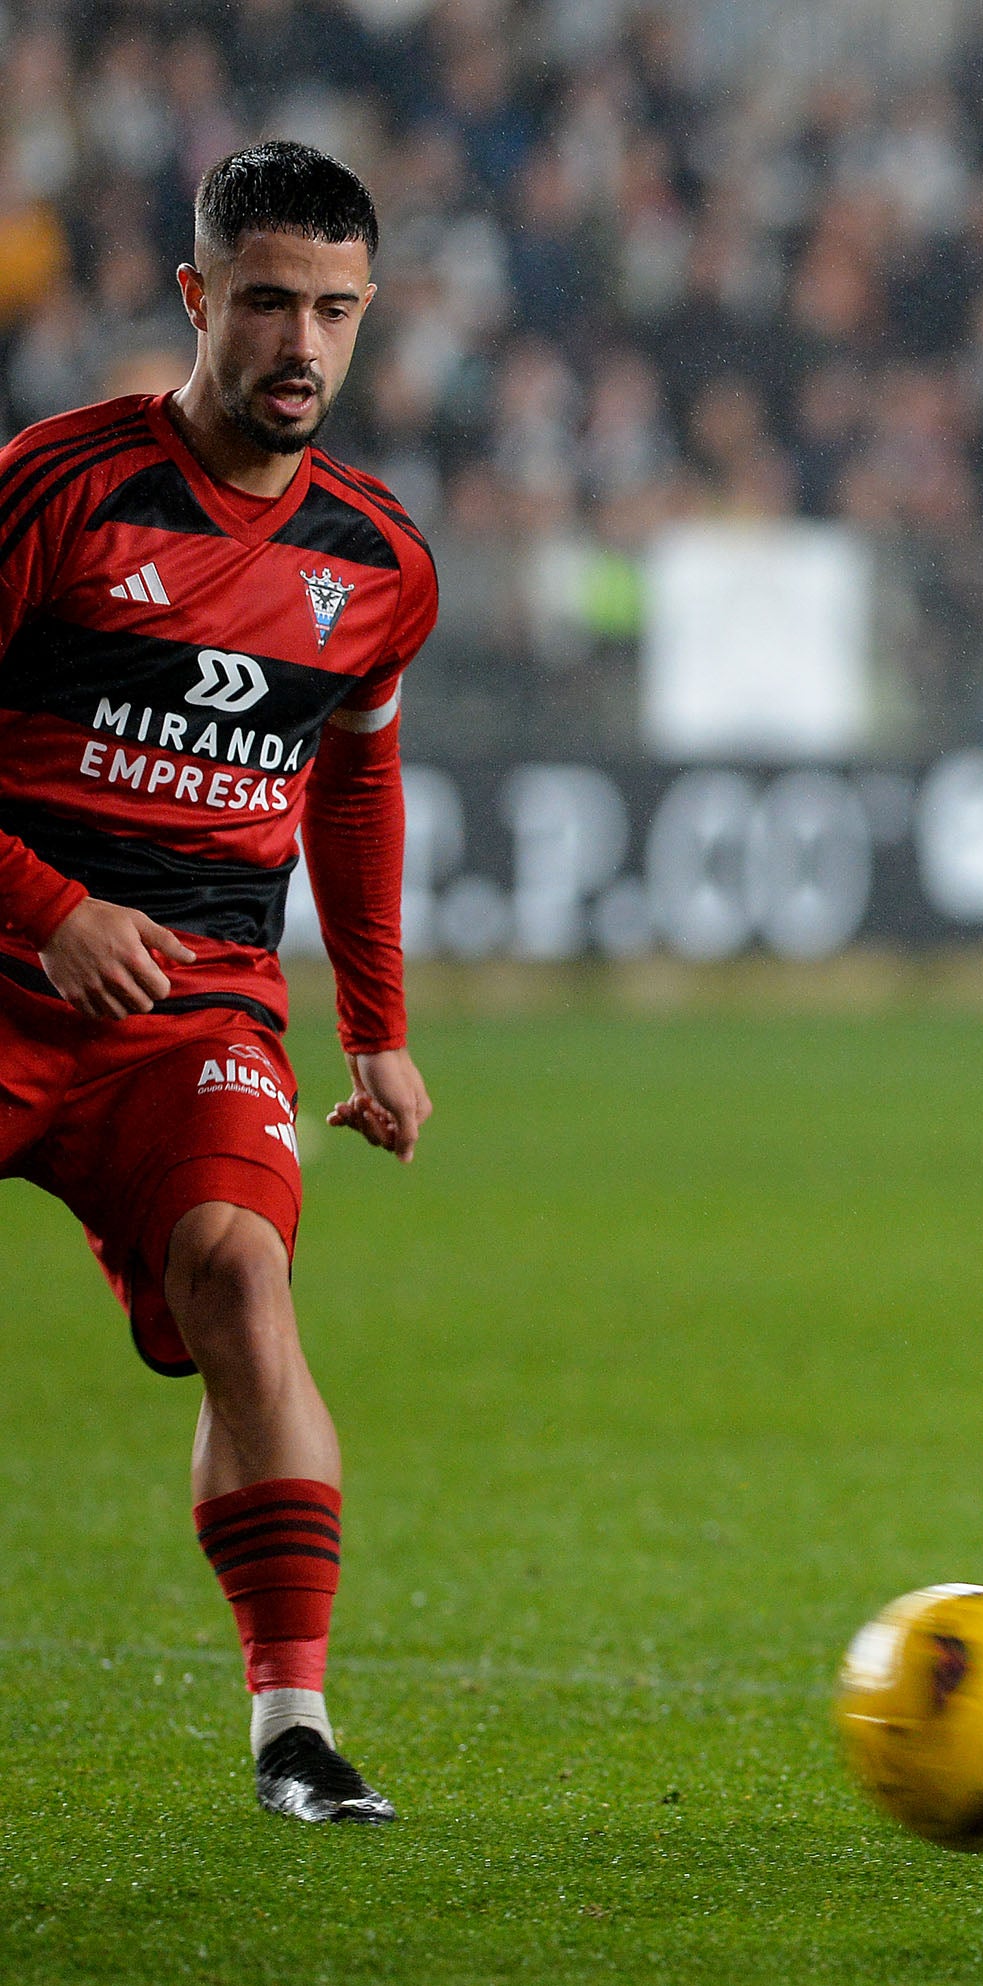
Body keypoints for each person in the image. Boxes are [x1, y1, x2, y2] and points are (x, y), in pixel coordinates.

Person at [0, 140, 436, 1824]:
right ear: (197, 299)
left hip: (195, 1011)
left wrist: (377, 1031)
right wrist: (46, 906)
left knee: (240, 1281)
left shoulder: (377, 564)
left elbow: (354, 779)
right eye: (266, 302)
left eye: (332, 308)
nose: (299, 343)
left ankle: (296, 1734)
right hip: (11, 962)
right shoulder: (56, 488)